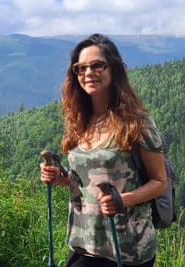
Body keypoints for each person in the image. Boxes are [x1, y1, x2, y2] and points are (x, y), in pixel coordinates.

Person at [40, 33, 167, 267]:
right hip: (82, 243)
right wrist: (61, 177)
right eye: (80, 68)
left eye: (97, 65)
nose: (88, 73)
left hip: (127, 249)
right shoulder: (78, 121)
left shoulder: (137, 124)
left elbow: (160, 180)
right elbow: (86, 180)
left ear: (114, 69)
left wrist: (123, 200)